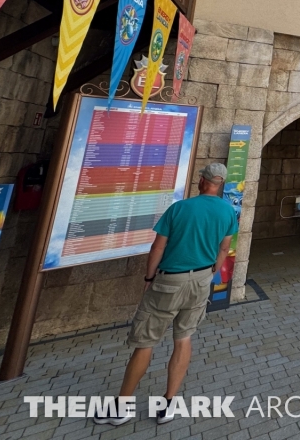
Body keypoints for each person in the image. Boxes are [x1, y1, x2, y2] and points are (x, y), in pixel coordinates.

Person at [94, 163, 238, 426]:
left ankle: (121, 407)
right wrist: (209, 273)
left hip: (170, 280)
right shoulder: (229, 211)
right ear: (221, 184)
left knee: (146, 341)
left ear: (202, 181)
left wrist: (149, 277)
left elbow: (158, 248)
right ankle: (168, 404)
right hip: (201, 279)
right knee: (183, 338)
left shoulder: (180, 208)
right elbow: (223, 249)